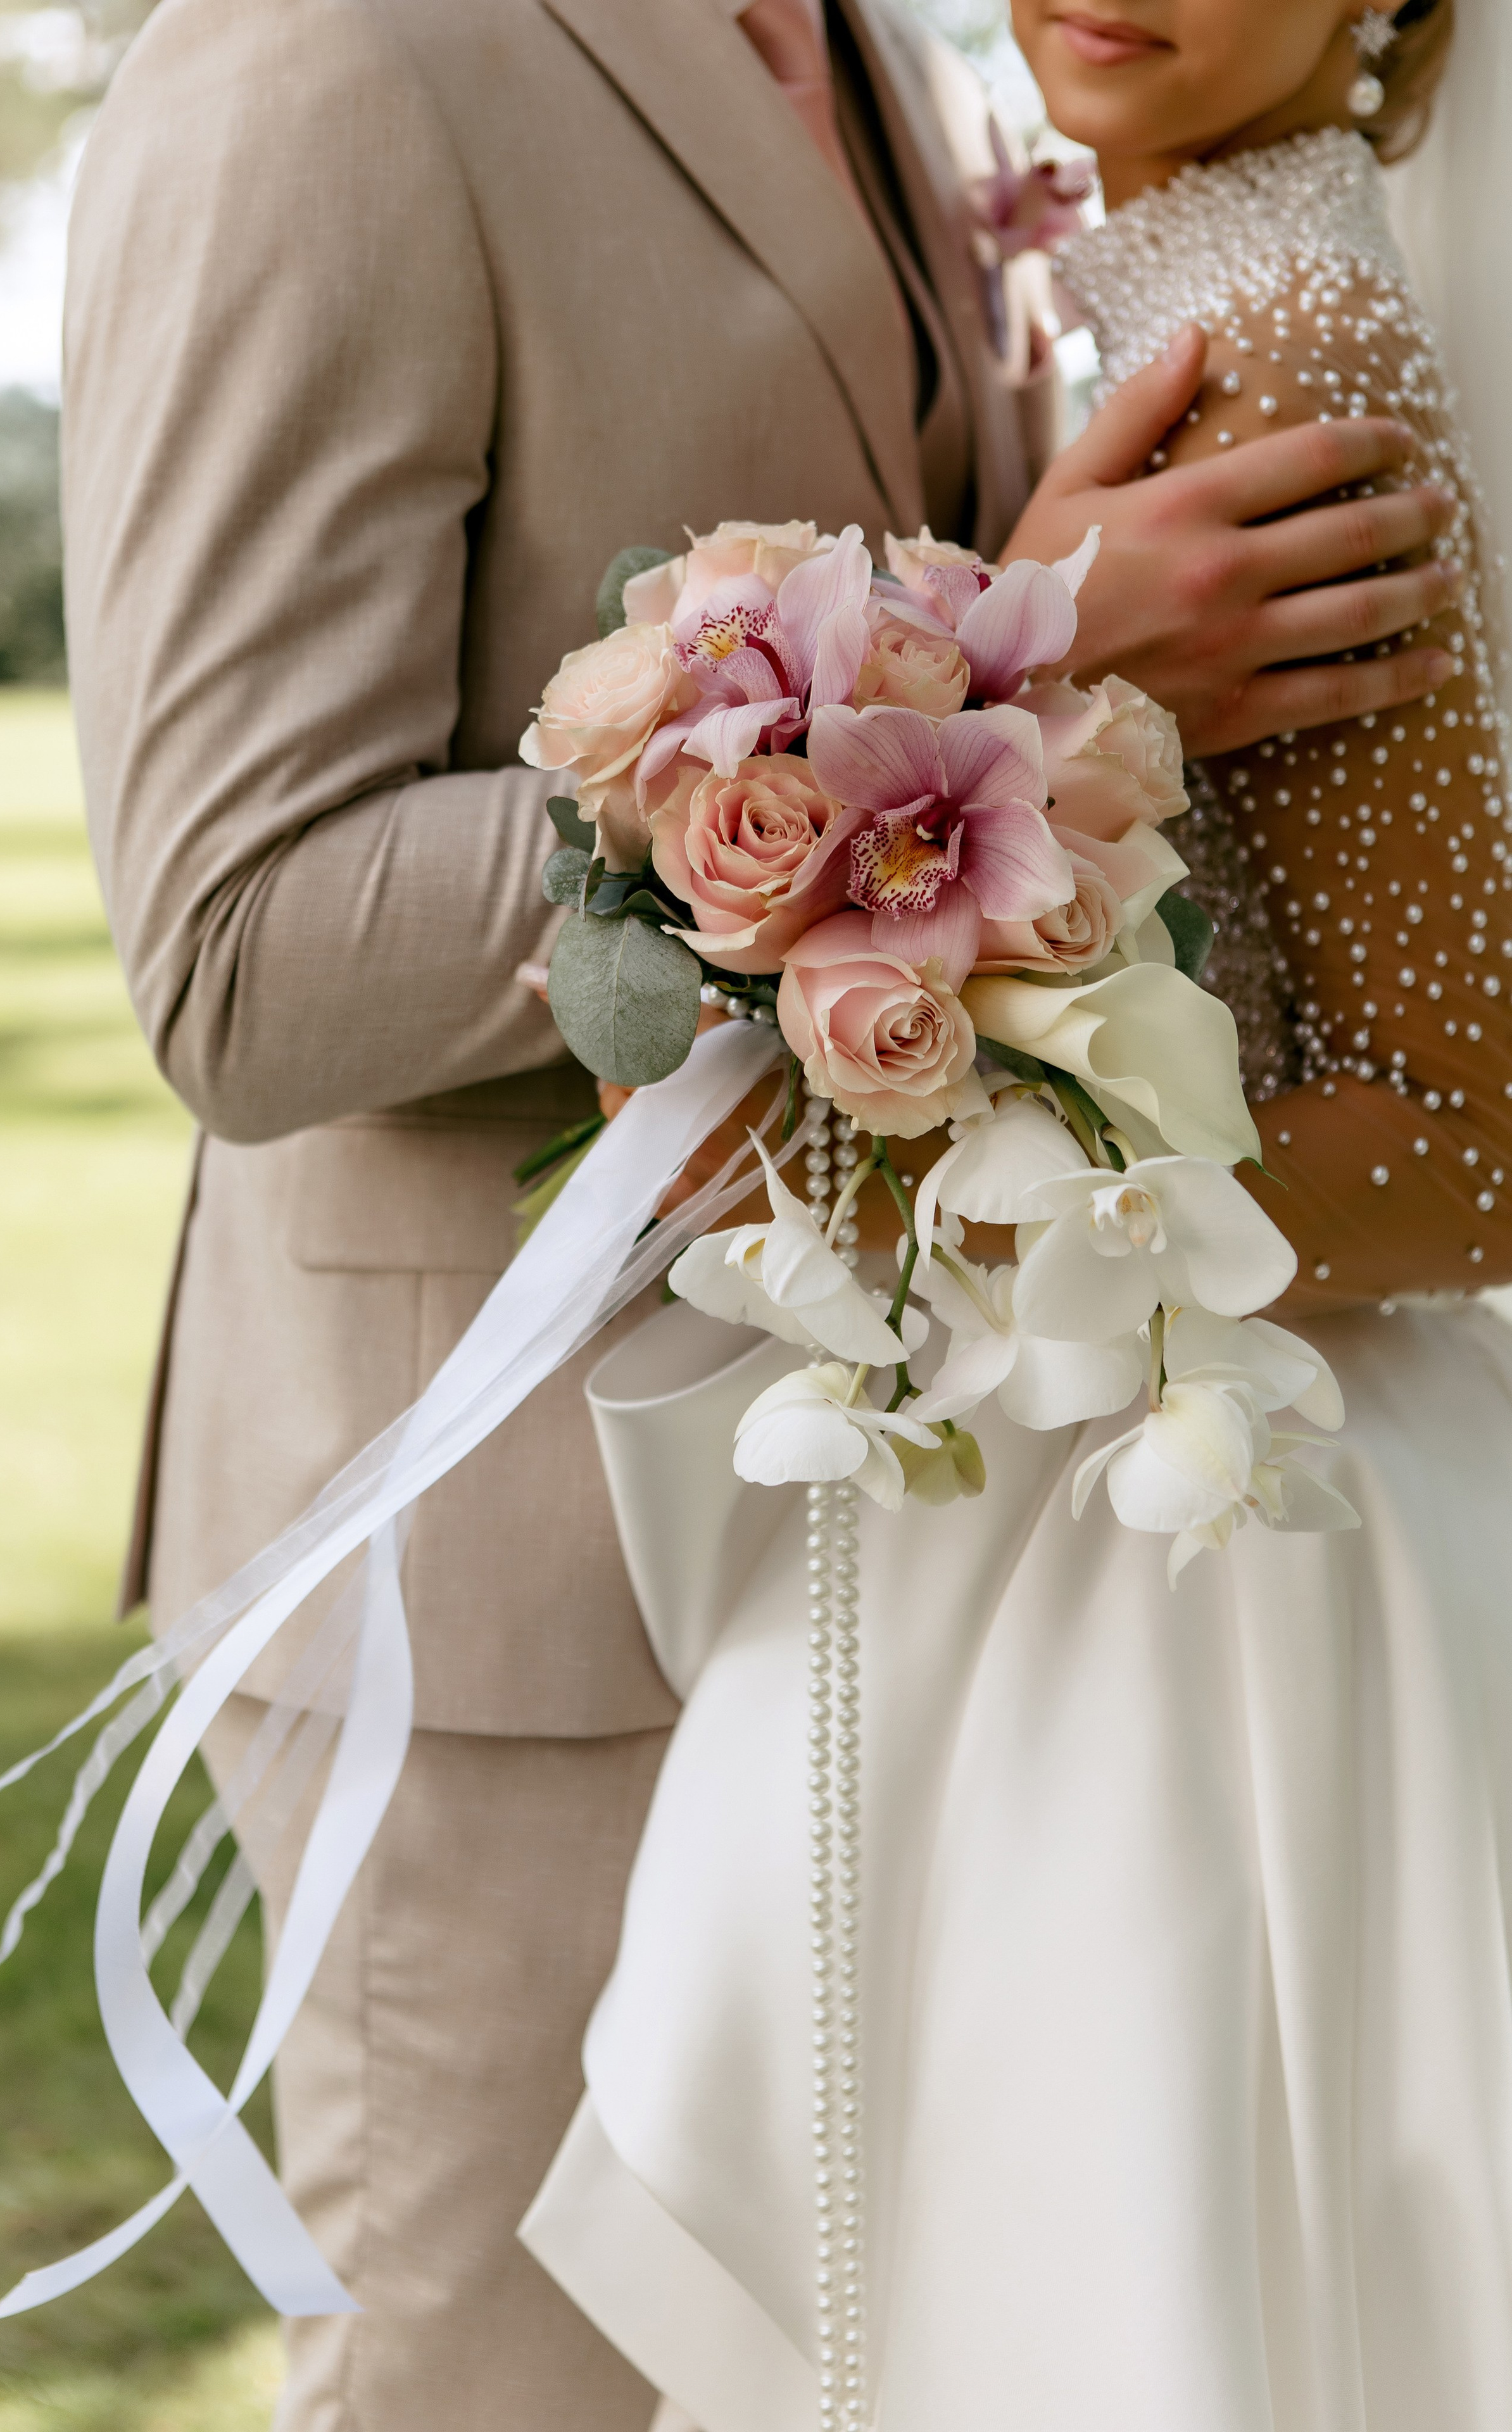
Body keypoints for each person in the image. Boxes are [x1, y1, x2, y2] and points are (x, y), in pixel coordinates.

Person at [58, 0, 1470, 2423]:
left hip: (902, 1552)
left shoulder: (910, 59)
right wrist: (992, 661)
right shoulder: (321, 60)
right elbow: (240, 950)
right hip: (496, 1585)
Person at [517, 3, 1512, 2425]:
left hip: (1217, 1566)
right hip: (1083, 1490)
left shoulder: (1288, 339)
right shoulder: (1159, 269)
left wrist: (932, 1170)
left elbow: (1475, 1136)